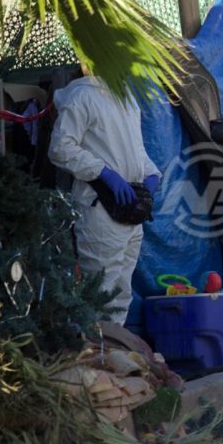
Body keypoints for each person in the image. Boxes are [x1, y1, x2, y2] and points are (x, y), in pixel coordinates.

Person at [49, 73, 160, 326]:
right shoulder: (82, 95)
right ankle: (97, 353)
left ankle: (111, 355)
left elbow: (136, 150)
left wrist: (151, 175)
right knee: (100, 293)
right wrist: (104, 173)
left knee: (121, 292)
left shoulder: (126, 97)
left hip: (130, 210)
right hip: (100, 209)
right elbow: (60, 148)